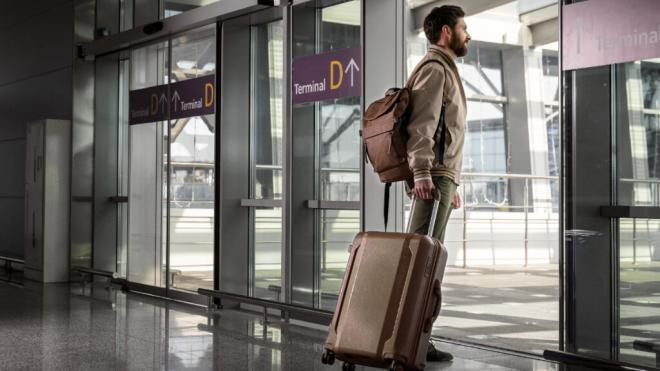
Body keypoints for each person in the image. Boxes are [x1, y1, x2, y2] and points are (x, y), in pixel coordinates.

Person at [405, 5, 470, 363]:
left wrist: (451, 184)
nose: (468, 34)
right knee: (421, 261)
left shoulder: (444, 69)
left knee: (427, 258)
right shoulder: (434, 69)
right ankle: (409, 339)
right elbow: (422, 125)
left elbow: (445, 131)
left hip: (442, 178)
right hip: (433, 178)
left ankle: (414, 337)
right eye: (463, 27)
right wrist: (423, 173)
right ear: (446, 32)